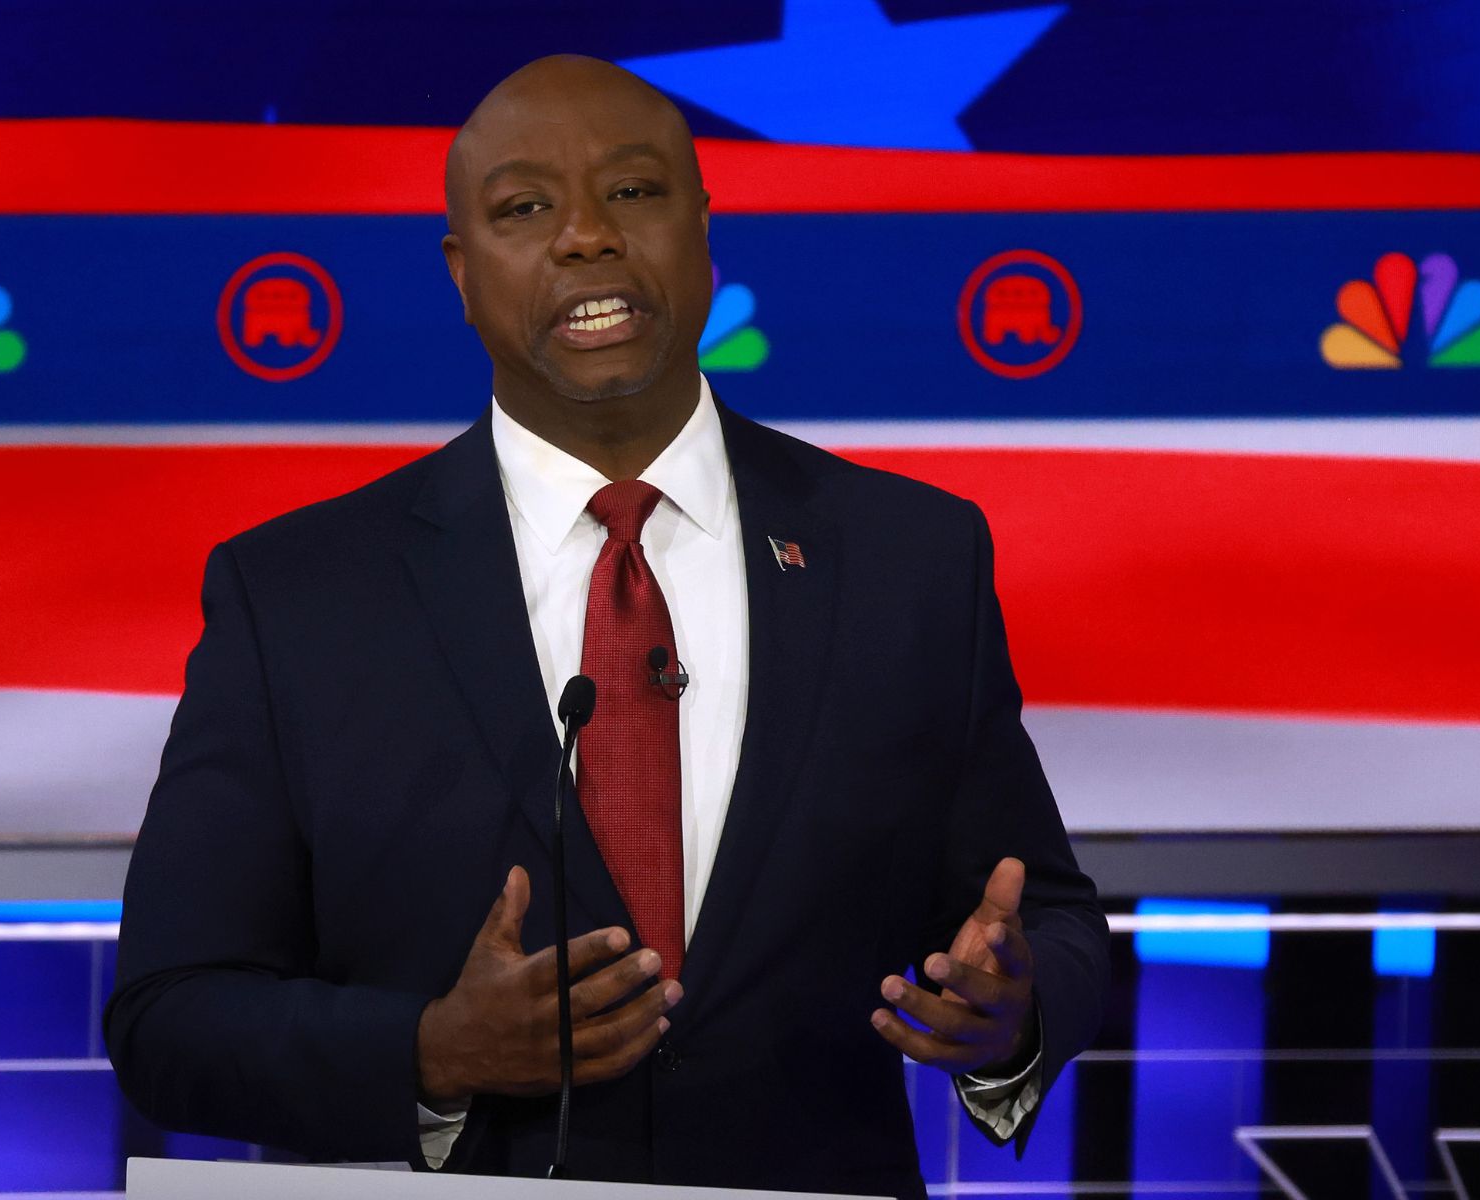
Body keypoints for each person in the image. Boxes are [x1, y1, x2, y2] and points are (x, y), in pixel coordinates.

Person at [105, 54, 1109, 1199]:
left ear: (703, 227)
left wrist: (1009, 1018)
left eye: (633, 192)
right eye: (525, 208)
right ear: (462, 271)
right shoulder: (297, 596)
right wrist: (434, 1050)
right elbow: (168, 1018)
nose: (586, 236)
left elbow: (1048, 919)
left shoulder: (907, 557)